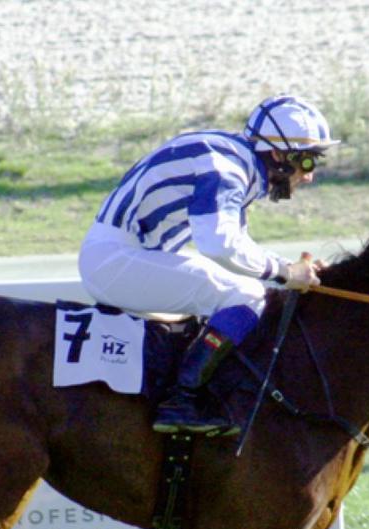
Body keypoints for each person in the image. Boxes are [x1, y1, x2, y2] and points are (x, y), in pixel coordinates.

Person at [78, 94, 339, 436]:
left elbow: (235, 251)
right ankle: (182, 401)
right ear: (278, 155)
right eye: (307, 163)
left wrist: (288, 269)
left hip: (126, 254)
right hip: (116, 261)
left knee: (245, 286)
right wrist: (287, 272)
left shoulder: (234, 158)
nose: (309, 177)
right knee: (246, 295)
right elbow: (218, 245)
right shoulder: (226, 170)